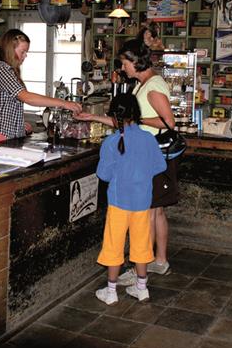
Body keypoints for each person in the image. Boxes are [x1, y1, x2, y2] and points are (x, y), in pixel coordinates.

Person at [76, 39, 177, 279]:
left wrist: (137, 120)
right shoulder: (143, 84)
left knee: (149, 213)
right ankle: (157, 262)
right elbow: (126, 121)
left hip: (150, 154)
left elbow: (169, 122)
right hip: (148, 154)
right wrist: (93, 117)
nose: (122, 68)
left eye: (124, 63)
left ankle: (143, 267)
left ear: (135, 61)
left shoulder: (152, 86)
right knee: (154, 212)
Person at [94, 93, 166, 305]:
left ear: (114, 116)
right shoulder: (148, 139)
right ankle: (142, 289)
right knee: (142, 245)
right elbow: (160, 166)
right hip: (142, 202)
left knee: (113, 245)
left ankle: (111, 292)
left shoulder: (111, 142)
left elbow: (103, 175)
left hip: (118, 203)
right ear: (137, 114)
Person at [0, 29, 82, 142]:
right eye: (22, 51)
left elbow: (6, 106)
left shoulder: (8, 71)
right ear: (10, 50)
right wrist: (64, 103)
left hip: (8, 134)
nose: (25, 55)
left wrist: (20, 124)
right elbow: (27, 97)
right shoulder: (2, 70)